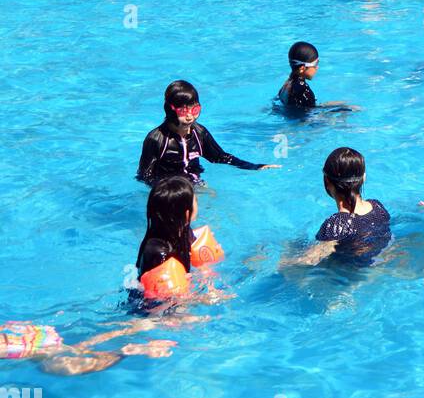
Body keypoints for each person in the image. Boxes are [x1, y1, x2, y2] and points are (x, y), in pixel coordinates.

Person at [137, 80, 281, 183]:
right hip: (170, 190)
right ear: (170, 109)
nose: (190, 116)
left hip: (195, 182)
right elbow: (145, 175)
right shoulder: (156, 139)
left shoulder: (199, 133)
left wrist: (255, 167)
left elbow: (221, 157)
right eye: (183, 110)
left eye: (194, 110)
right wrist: (170, 193)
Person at [284, 148, 390, 266]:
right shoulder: (378, 207)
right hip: (382, 261)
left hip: (353, 276)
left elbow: (310, 259)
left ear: (327, 182)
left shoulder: (337, 224)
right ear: (363, 178)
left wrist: (281, 262)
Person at [1, 318, 175, 375]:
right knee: (79, 347)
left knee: (60, 367)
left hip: (36, 346)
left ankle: (127, 350)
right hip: (33, 331)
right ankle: (133, 327)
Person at [277, 41, 356, 115]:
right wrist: (344, 109)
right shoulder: (304, 90)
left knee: (341, 104)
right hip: (303, 123)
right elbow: (311, 115)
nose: (317, 67)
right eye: (315, 64)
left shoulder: (288, 83)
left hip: (294, 116)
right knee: (346, 112)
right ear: (302, 68)